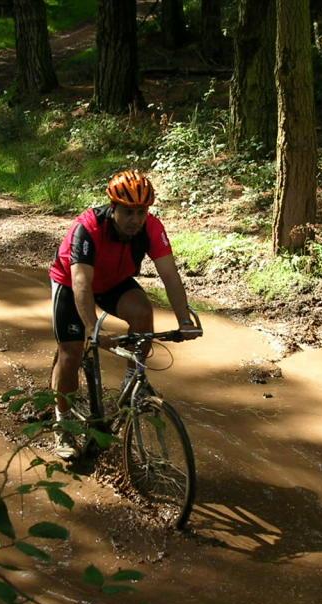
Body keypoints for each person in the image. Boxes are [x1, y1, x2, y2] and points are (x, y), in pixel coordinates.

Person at [48, 169, 201, 458]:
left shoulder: (151, 228)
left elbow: (170, 275)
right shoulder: (87, 228)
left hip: (114, 282)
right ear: (113, 208)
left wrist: (184, 320)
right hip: (71, 283)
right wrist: (93, 328)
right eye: (128, 212)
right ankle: (63, 424)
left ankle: (132, 386)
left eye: (141, 212)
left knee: (143, 313)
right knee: (71, 353)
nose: (135, 219)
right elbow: (81, 283)